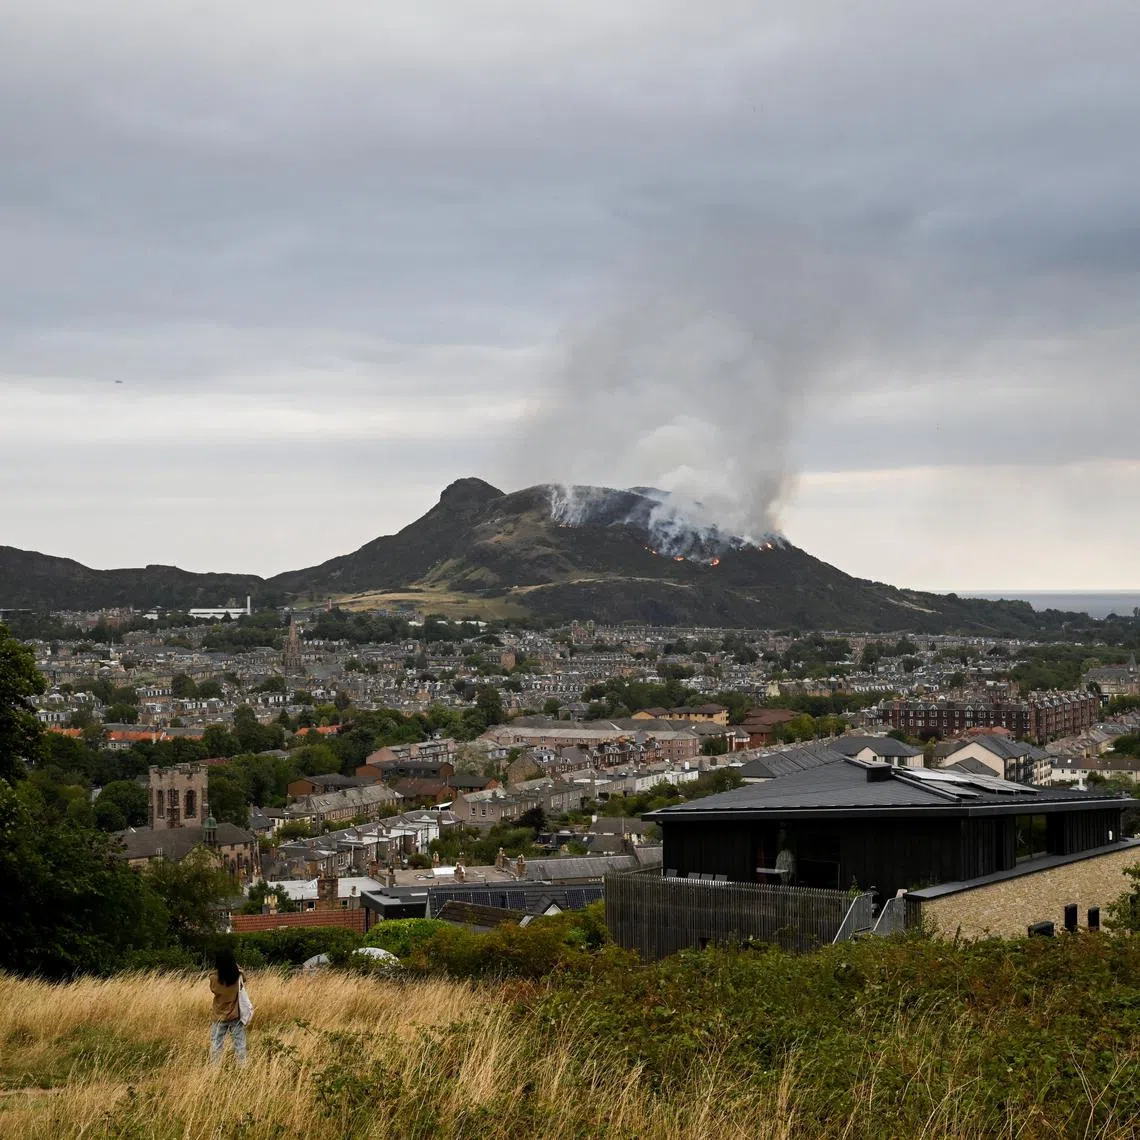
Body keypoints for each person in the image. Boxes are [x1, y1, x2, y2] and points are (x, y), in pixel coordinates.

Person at [209, 948, 247, 1064]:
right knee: (240, 1044)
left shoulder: (214, 978)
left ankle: (214, 1069)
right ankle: (242, 1067)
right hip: (235, 1015)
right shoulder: (238, 977)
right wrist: (235, 966)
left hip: (219, 1016)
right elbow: (243, 976)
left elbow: (212, 988)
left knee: (216, 1044)